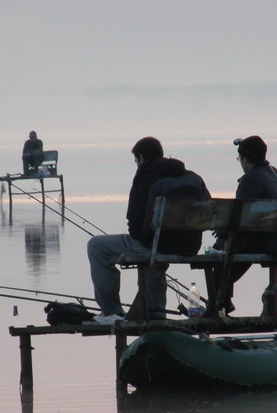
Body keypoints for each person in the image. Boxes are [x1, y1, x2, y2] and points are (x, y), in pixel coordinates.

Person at [87, 137, 210, 324]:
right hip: (189, 246)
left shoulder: (144, 179)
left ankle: (111, 312)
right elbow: (208, 212)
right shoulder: (191, 177)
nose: (137, 165)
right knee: (154, 258)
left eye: (136, 160)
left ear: (142, 158)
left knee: (96, 246)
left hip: (156, 245)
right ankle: (155, 314)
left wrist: (141, 235)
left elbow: (135, 226)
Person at [208, 135, 277, 315]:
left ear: (246, 159)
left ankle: (218, 304)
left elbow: (241, 220)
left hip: (261, 241)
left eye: (240, 159)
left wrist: (223, 232)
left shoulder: (250, 180)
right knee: (227, 248)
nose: (240, 163)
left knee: (216, 252)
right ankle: (222, 302)